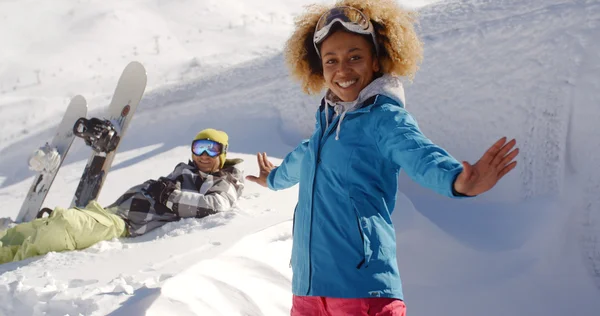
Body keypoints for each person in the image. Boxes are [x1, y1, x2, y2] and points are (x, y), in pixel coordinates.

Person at [245, 1, 519, 315]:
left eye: (355, 57)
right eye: (331, 60)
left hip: (363, 295)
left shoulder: (384, 119)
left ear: (376, 61)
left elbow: (419, 153)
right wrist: (273, 178)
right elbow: (299, 161)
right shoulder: (324, 128)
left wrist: (458, 181)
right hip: (307, 294)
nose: (343, 69)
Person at [0, 128, 244, 264]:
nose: (203, 155)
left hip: (125, 224)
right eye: (198, 148)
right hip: (112, 211)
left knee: (64, 225)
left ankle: (11, 261)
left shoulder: (224, 180)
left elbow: (216, 205)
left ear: (223, 152)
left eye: (211, 149)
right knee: (37, 227)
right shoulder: (187, 170)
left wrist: (170, 196)